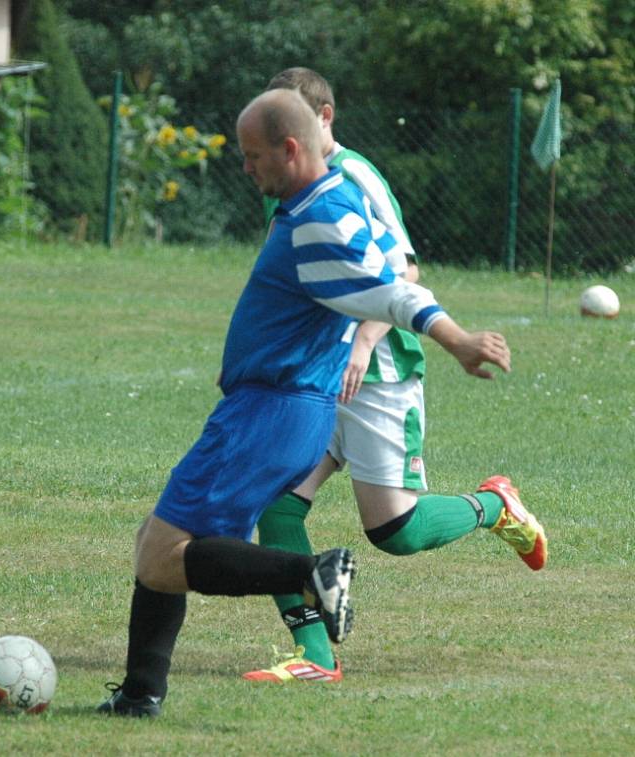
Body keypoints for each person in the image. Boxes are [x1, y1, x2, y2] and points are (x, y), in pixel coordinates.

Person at [97, 87, 511, 718]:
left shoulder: (319, 219)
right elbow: (385, 281)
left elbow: (393, 294)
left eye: (253, 154)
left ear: (291, 150)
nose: (246, 168)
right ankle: (137, 698)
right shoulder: (332, 200)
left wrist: (455, 339)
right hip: (285, 408)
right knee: (160, 545)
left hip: (271, 411)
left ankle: (306, 574)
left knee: (160, 554)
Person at [242, 68, 547, 685]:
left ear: (323, 118)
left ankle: (496, 506)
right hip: (322, 378)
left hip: (379, 377)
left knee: (394, 531)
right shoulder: (295, 182)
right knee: (274, 509)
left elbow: (402, 273)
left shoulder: (354, 177)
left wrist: (360, 346)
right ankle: (316, 657)